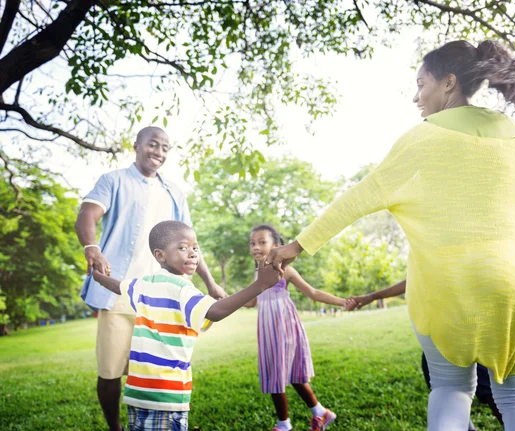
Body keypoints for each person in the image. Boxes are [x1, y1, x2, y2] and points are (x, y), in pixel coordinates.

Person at [266, 40, 515, 431]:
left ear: (448, 82)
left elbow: (359, 196)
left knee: (451, 389)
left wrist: (297, 245)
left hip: (446, 289)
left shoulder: (422, 137)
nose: (415, 96)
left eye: (421, 83)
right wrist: (507, 213)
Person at [74, 126, 227, 431]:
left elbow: (190, 243)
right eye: (153, 145)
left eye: (165, 148)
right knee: (110, 369)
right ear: (137, 146)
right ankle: (116, 427)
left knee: (151, 372)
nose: (158, 152)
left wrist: (209, 282)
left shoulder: (174, 192)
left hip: (163, 299)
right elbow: (87, 214)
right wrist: (92, 247)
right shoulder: (113, 181)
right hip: (119, 292)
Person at [91, 221, 280, 431]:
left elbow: (118, 286)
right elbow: (215, 311)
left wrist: (98, 276)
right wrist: (260, 285)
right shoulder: (182, 289)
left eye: (195, 248)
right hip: (167, 394)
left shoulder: (143, 284)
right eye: (183, 248)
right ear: (160, 255)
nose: (192, 254)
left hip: (138, 393)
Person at [345, 281, 504, 430]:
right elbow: (414, 276)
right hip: (447, 326)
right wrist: (372, 297)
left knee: (485, 390)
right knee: (446, 386)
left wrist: (372, 297)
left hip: (474, 322)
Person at [246, 225, 342, 431]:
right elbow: (249, 302)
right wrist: (220, 297)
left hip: (284, 328)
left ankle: (284, 425)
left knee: (281, 375)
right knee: (283, 375)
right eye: (252, 243)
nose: (256, 247)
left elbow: (313, 293)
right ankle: (321, 413)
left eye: (262, 242)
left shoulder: (286, 271)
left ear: (277, 246)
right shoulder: (256, 275)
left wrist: (343, 302)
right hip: (268, 330)